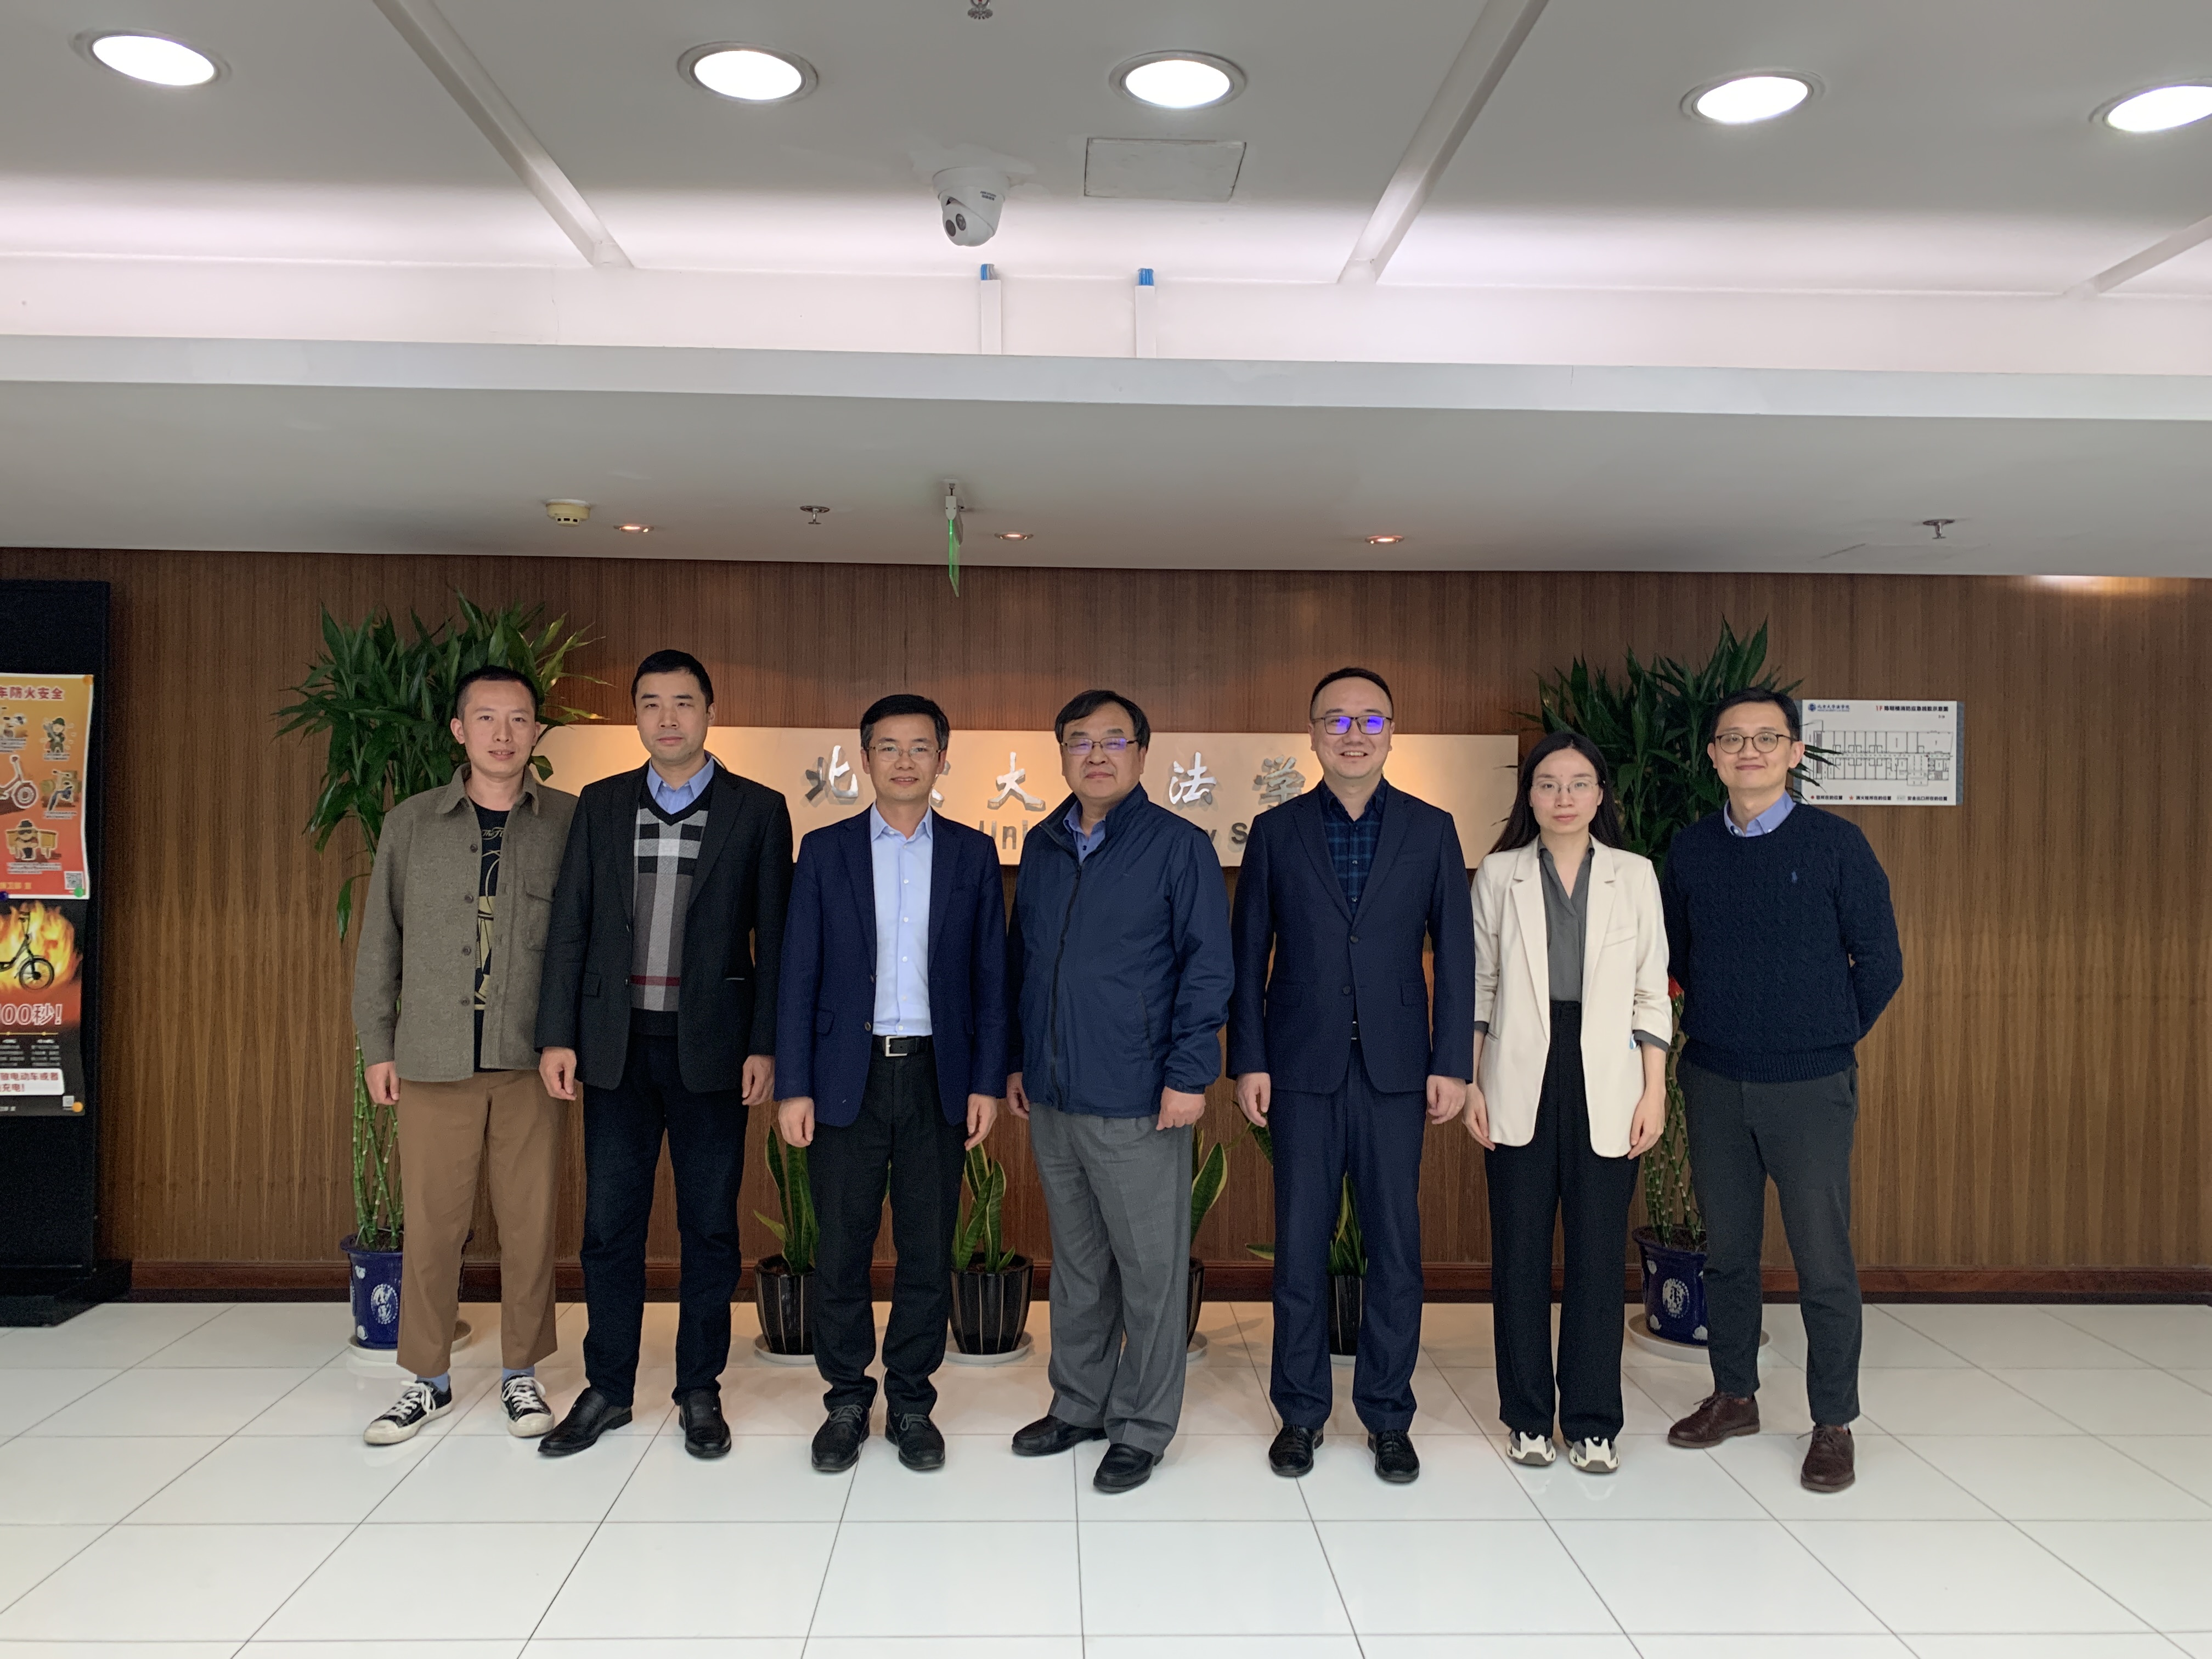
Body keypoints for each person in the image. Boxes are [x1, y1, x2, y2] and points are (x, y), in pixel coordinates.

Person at [534, 649, 793, 1459]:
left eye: (684, 702)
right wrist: (558, 1033)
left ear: (711, 712)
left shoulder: (758, 809)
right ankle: (608, 1388)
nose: (668, 718)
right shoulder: (603, 803)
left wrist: (766, 1045)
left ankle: (699, 1389)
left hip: (713, 1050)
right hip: (616, 1048)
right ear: (637, 717)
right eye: (651, 703)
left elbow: (777, 942)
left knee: (708, 1228)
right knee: (609, 1226)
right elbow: (571, 924)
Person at [1229, 667, 1473, 1485]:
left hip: (1398, 1071)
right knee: (1299, 1248)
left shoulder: (1432, 829)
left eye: (1371, 720)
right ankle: (1300, 1414)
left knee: (1396, 1249)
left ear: (1393, 733)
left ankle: (1388, 1416)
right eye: (1336, 720)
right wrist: (1249, 1058)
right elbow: (1248, 953)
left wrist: (1452, 1063)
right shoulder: (1276, 831)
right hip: (1300, 1068)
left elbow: (1458, 954)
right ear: (1312, 735)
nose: (1353, 734)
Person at [1660, 688, 1903, 1493]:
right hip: (1714, 1078)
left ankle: (1833, 1421)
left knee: (1822, 1261)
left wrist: (1824, 1035)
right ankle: (1735, 1396)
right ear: (1713, 756)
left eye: (1767, 738)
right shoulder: (1691, 850)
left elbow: (1882, 962)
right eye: (1733, 739)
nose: (1750, 752)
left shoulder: (1837, 844)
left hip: (1809, 1085)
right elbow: (1678, 959)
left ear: (1795, 752)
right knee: (1728, 1254)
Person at [1005, 689, 1233, 1494]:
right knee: (1078, 1266)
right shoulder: (1043, 845)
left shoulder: (1178, 847)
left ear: (1141, 753)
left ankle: (1141, 1425)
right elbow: (1024, 963)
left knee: (1150, 1272)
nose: (1096, 755)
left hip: (1140, 1094)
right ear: (1061, 753)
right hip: (1054, 1094)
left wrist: (1188, 1076)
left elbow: (1208, 968)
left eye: (1113, 740)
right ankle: (1079, 1404)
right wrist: (1018, 1062)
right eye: (1080, 741)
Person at [773, 693, 1007, 1475]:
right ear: (865, 758)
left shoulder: (973, 854)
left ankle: (911, 1401)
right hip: (848, 1075)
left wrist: (984, 1082)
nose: (905, 761)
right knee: (841, 1247)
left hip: (939, 1074)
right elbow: (797, 972)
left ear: (943, 758)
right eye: (888, 747)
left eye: (920, 747)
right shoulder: (825, 850)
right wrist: (794, 1085)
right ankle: (846, 1398)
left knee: (925, 1248)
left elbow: (990, 977)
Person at [352, 665, 576, 1444]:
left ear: (537, 732)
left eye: (518, 719)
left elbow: (585, 942)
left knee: (529, 1225)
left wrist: (572, 1040)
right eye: (486, 718)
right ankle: (427, 1380)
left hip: (530, 1063)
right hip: (432, 1058)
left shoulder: (568, 822)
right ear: (459, 730)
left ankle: (522, 1373)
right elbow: (380, 941)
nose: (503, 734)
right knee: (433, 1227)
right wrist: (377, 1046)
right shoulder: (412, 823)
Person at [1467, 730, 1670, 1474]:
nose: (1563, 797)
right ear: (1529, 795)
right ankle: (1526, 1417)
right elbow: (1481, 986)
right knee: (1518, 1255)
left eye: (1579, 783)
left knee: (1597, 1256)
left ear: (1600, 794)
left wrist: (1654, 1089)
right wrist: (1472, 1083)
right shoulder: (1499, 874)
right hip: (1519, 1070)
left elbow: (1651, 989)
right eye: (1548, 784)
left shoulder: (1634, 875)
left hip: (1609, 1075)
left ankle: (1592, 1422)